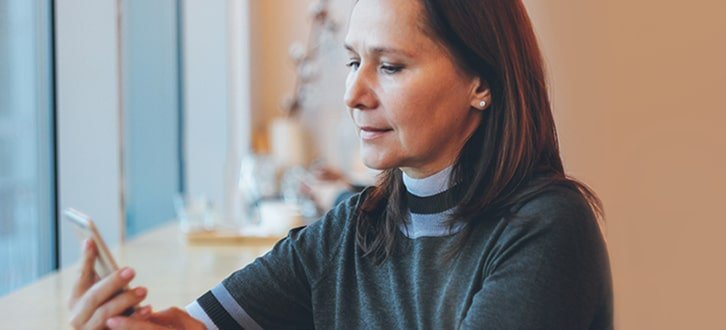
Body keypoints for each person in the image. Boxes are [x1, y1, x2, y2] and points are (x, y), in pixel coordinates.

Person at [68, 0, 613, 328]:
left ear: (482, 82)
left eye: (391, 66)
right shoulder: (354, 228)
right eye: (354, 61)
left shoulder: (546, 229)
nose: (353, 93)